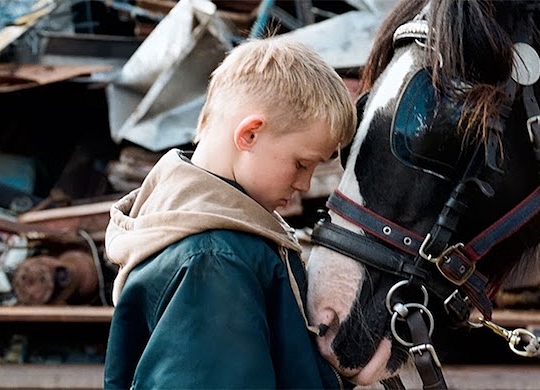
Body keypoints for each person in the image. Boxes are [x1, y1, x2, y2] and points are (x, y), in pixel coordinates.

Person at [103, 36, 357, 389]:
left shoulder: (211, 237)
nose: (304, 184)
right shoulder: (216, 260)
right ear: (250, 134)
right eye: (301, 163)